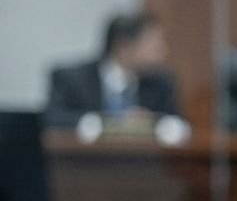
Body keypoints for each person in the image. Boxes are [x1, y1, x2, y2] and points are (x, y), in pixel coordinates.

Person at [45, 12, 181, 129]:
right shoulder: (72, 79)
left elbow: (178, 124)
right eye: (154, 45)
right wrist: (110, 122)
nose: (163, 52)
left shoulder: (161, 83)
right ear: (124, 46)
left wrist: (152, 122)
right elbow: (53, 119)